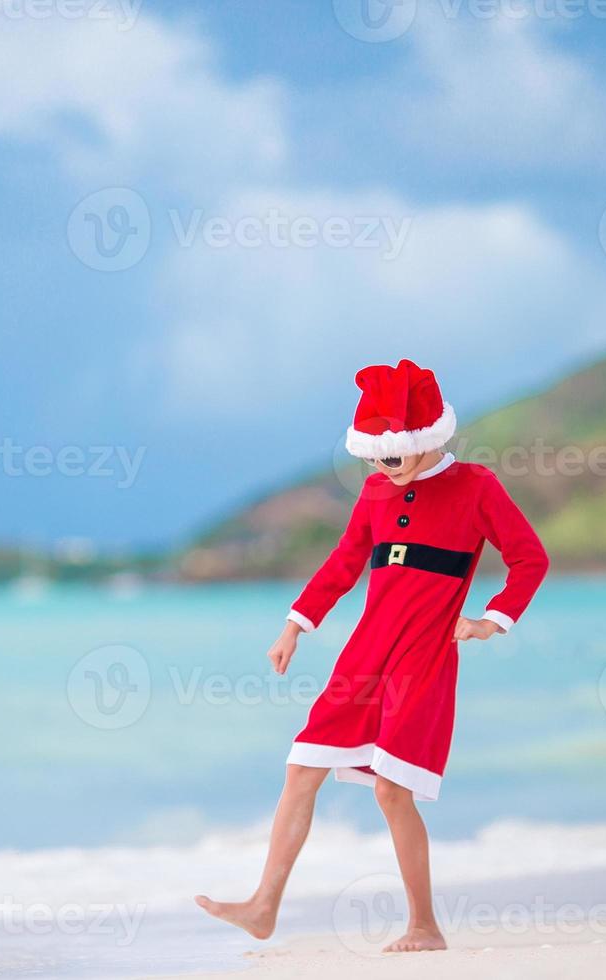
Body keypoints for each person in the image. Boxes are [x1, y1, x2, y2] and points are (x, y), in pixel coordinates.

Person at [196, 359, 549, 953]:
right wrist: (295, 625)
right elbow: (344, 562)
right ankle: (262, 907)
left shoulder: (476, 487)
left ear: (426, 439)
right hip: (364, 654)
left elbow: (529, 558)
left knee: (392, 789)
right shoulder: (375, 490)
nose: (383, 467)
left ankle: (424, 926)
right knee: (301, 768)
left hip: (423, 656)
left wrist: (492, 619)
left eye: (394, 455)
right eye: (374, 457)